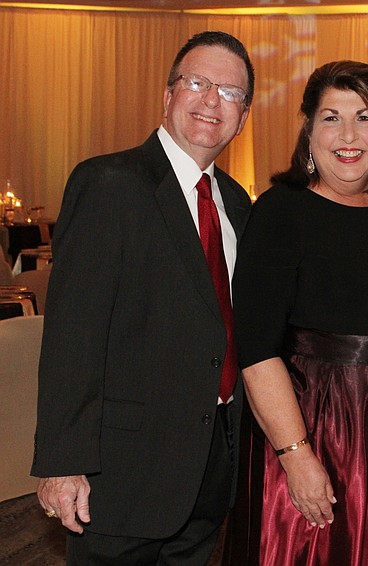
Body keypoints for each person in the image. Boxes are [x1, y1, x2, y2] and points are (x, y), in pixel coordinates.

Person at [30, 31, 254, 564]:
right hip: (120, 477)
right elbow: (72, 335)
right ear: (168, 94)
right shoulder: (109, 182)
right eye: (197, 83)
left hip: (210, 470)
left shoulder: (240, 206)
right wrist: (63, 463)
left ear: (243, 117)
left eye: (229, 92)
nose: (210, 101)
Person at [224, 60, 368, 566]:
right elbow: (255, 351)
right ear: (308, 130)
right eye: (330, 117)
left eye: (363, 117)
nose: (348, 135)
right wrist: (296, 457)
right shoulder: (281, 210)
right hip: (310, 423)